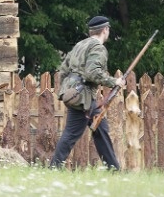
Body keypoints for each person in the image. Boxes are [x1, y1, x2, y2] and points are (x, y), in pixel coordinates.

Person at [49, 16, 125, 171]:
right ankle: (54, 168)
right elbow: (92, 73)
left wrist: (67, 90)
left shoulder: (80, 45)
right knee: (71, 134)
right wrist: (114, 82)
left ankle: (114, 169)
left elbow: (63, 70)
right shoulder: (98, 47)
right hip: (83, 98)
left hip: (79, 96)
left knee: (101, 129)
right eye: (108, 29)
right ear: (105, 30)